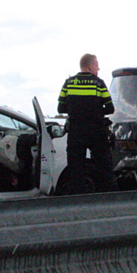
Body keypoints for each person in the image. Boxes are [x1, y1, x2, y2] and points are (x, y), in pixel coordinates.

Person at [57, 53, 117, 194]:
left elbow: (60, 108)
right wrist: (95, 111)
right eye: (97, 66)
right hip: (96, 131)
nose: (98, 69)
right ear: (90, 67)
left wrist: (77, 111)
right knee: (104, 167)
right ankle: (108, 197)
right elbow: (110, 108)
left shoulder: (68, 83)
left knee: (75, 168)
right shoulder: (99, 84)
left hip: (76, 132)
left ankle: (77, 198)